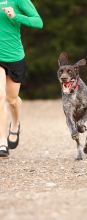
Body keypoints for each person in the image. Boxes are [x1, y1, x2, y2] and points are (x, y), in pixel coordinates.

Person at [0, 0, 43, 157]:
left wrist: (16, 16)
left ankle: (15, 124)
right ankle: (2, 141)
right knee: (0, 96)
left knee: (12, 100)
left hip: (14, 57)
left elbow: (38, 22)